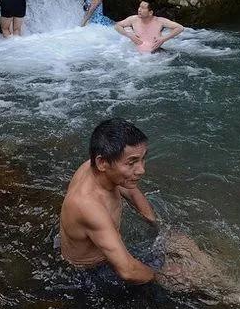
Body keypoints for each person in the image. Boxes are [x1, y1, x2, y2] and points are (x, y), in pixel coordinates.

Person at [59, 118, 173, 285]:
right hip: (92, 274)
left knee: (177, 241)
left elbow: (132, 192)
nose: (141, 170)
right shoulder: (87, 206)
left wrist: (155, 227)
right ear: (102, 162)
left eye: (142, 159)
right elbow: (128, 271)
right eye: (132, 162)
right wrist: (166, 277)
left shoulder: (98, 169)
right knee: (184, 271)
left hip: (108, 256)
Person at [115, 1, 184, 53]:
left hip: (156, 55)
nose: (139, 9)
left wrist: (163, 39)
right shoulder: (133, 19)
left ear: (150, 12)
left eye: (143, 8)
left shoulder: (159, 21)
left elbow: (180, 28)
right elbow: (117, 26)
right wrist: (130, 35)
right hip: (135, 56)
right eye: (139, 7)